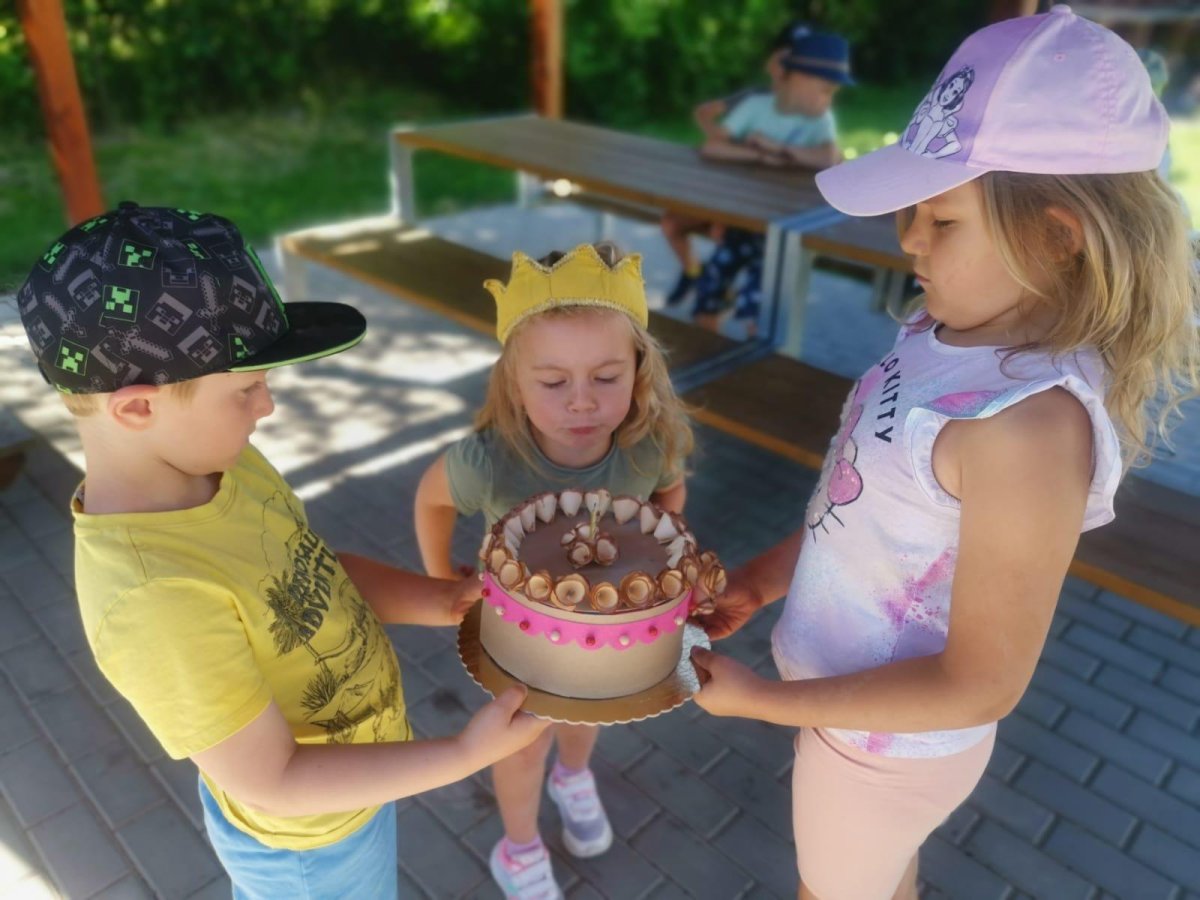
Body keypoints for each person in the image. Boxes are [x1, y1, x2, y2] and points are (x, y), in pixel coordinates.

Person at [688, 8, 1199, 900]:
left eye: (943, 219)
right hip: (848, 717)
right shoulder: (947, 329)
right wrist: (762, 582)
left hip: (881, 753)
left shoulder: (1026, 430)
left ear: (1057, 237)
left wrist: (764, 703)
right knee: (882, 878)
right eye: (914, 210)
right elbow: (864, 511)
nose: (908, 239)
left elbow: (979, 684)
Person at [14, 203, 550, 899]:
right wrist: (463, 753)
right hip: (309, 849)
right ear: (138, 408)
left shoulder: (223, 464)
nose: (266, 406)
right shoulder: (154, 598)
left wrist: (443, 599)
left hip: (358, 788)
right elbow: (273, 779)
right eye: (246, 388)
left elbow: (316, 576)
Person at [415, 242, 694, 899]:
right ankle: (519, 847)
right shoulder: (488, 461)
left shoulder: (648, 446)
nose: (582, 402)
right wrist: (441, 581)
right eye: (552, 382)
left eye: (606, 377)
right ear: (515, 382)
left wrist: (658, 546)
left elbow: (670, 492)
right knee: (520, 743)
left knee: (585, 715)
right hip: (519, 641)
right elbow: (431, 500)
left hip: (603, 629)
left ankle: (573, 778)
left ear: (639, 370)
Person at [687, 26, 852, 337]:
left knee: (760, 304)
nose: (828, 100)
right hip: (743, 223)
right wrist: (760, 156)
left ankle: (757, 350)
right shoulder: (756, 107)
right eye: (825, 89)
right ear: (797, 79)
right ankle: (706, 340)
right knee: (710, 286)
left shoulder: (820, 120)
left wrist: (777, 148)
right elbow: (712, 147)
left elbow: (829, 158)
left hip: (785, 229)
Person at [661, 20, 801, 307]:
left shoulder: (810, 117)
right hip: (726, 193)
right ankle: (694, 274)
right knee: (672, 222)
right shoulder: (754, 99)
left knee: (722, 237)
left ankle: (721, 296)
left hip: (764, 210)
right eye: (782, 58)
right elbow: (707, 121)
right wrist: (727, 142)